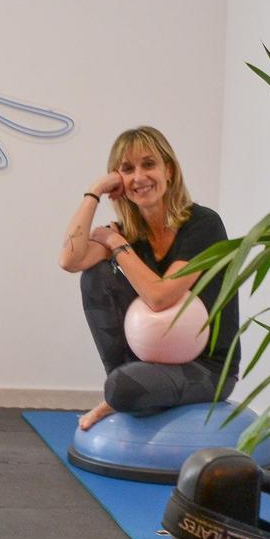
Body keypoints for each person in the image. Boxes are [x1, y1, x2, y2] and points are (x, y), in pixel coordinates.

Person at [58, 126, 241, 430]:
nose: (139, 177)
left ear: (168, 170)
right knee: (95, 275)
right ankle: (123, 385)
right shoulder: (129, 233)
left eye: (148, 164)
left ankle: (119, 394)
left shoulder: (204, 225)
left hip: (208, 369)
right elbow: (70, 259)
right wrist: (96, 191)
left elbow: (160, 297)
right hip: (145, 365)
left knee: (122, 388)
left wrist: (116, 245)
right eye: (127, 169)